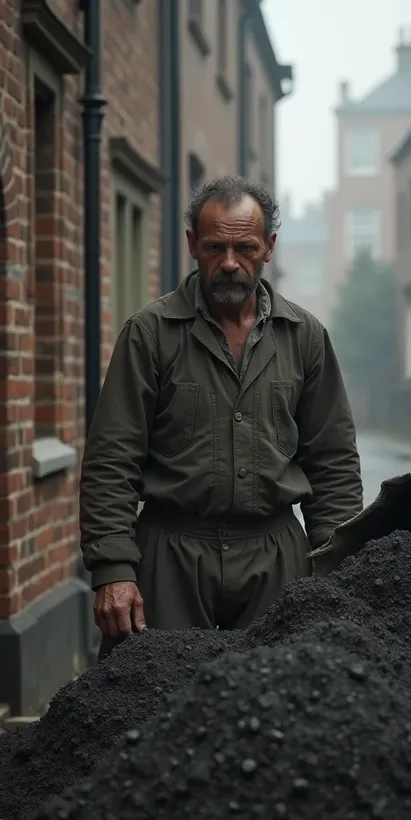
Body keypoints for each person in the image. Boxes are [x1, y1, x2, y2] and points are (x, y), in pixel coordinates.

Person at [80, 176, 363, 658]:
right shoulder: (149, 334)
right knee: (149, 708)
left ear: (269, 247)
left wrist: (340, 570)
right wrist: (113, 569)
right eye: (215, 247)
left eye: (245, 247)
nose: (229, 263)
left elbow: (333, 463)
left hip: (277, 558)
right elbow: (112, 460)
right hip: (169, 555)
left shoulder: (305, 338)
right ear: (192, 244)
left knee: (282, 708)